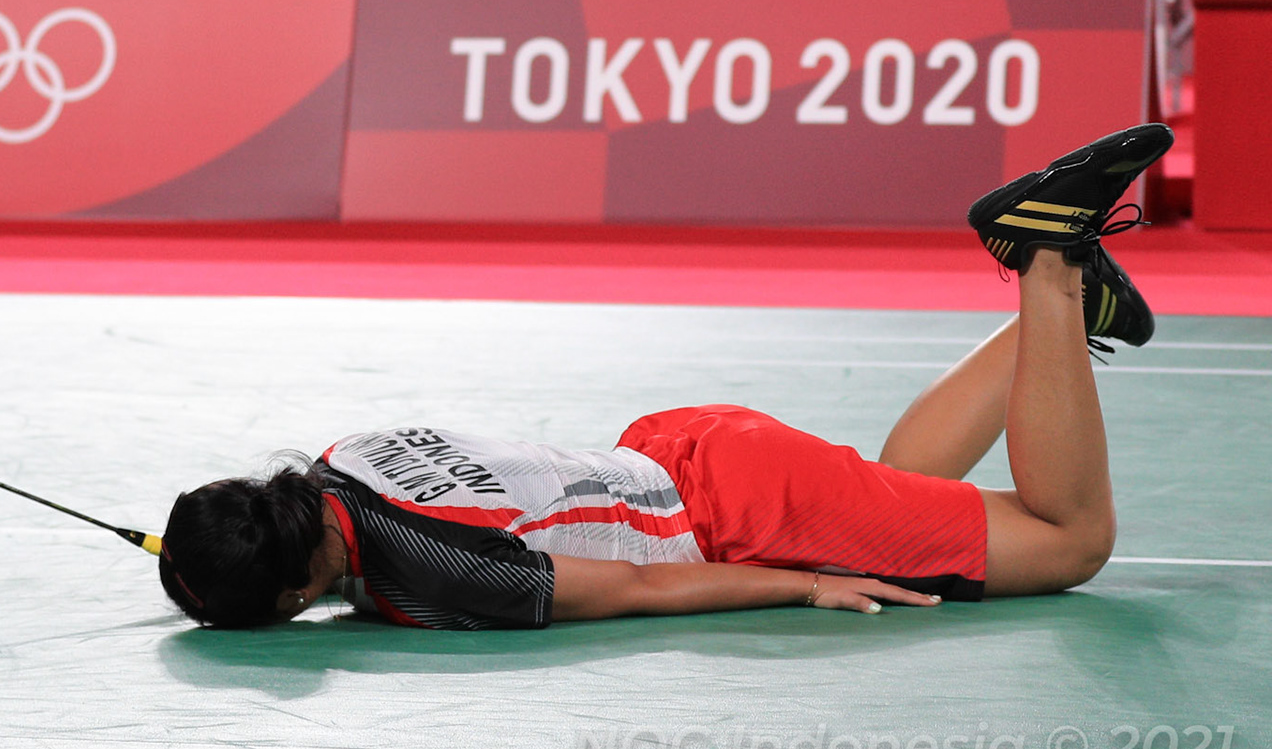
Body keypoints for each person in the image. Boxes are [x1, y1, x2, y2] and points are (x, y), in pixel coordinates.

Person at [159, 123, 1173, 630]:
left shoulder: (426, 571)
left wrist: (802, 584)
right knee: (895, 490)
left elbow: (638, 585)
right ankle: (1066, 315)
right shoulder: (342, 456)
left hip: (730, 511)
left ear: (297, 587)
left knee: (1069, 540)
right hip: (677, 441)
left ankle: (1049, 261)